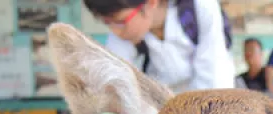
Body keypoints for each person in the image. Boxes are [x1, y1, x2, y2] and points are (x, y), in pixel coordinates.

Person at [84, 0, 235, 93]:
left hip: (214, 95)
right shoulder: (124, 33)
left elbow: (214, 71)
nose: (115, 31)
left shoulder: (199, 7)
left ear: (150, 3)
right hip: (166, 106)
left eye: (120, 21)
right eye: (107, 23)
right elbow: (115, 78)